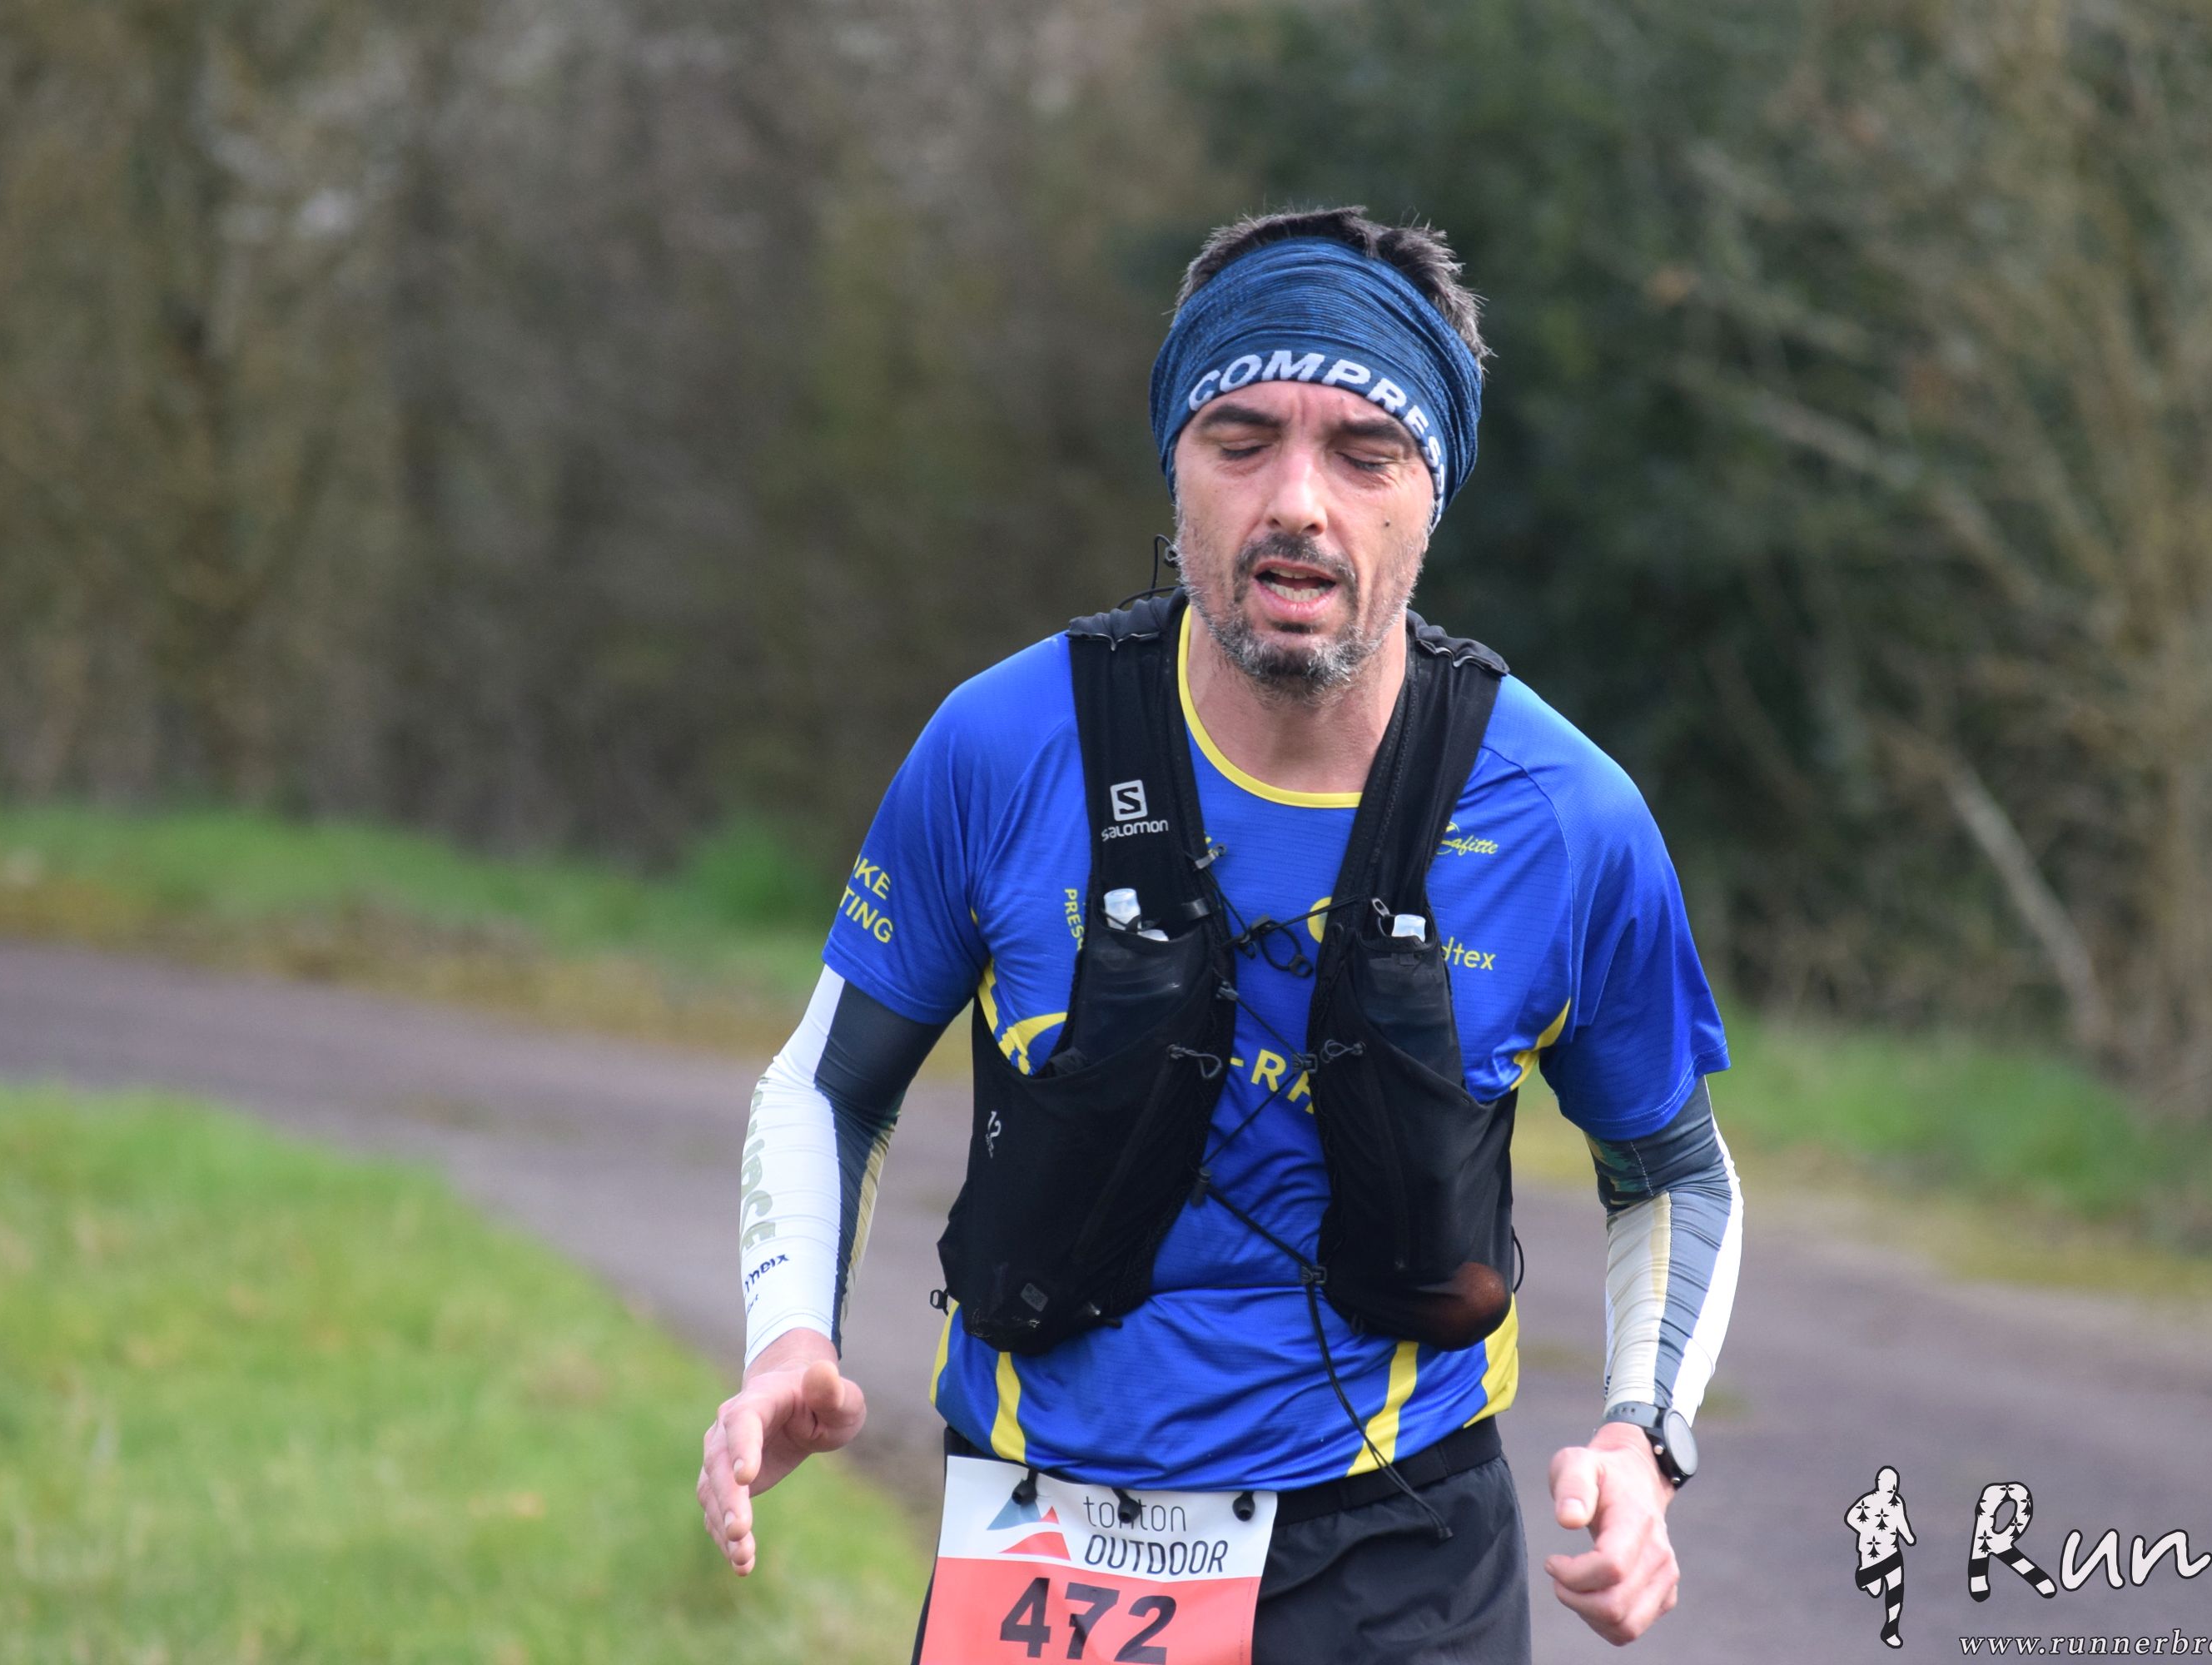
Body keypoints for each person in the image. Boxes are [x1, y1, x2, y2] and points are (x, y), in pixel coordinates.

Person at [696, 206, 1743, 1661]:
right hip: (1043, 1546)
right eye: (1240, 441)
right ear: (1175, 465)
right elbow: (827, 1085)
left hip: (1400, 1554)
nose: (1297, 501)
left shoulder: (1566, 815)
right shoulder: (1004, 745)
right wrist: (789, 1341)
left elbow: (1672, 1170)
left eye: (1364, 453)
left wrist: (1644, 1438)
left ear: (1432, 491)